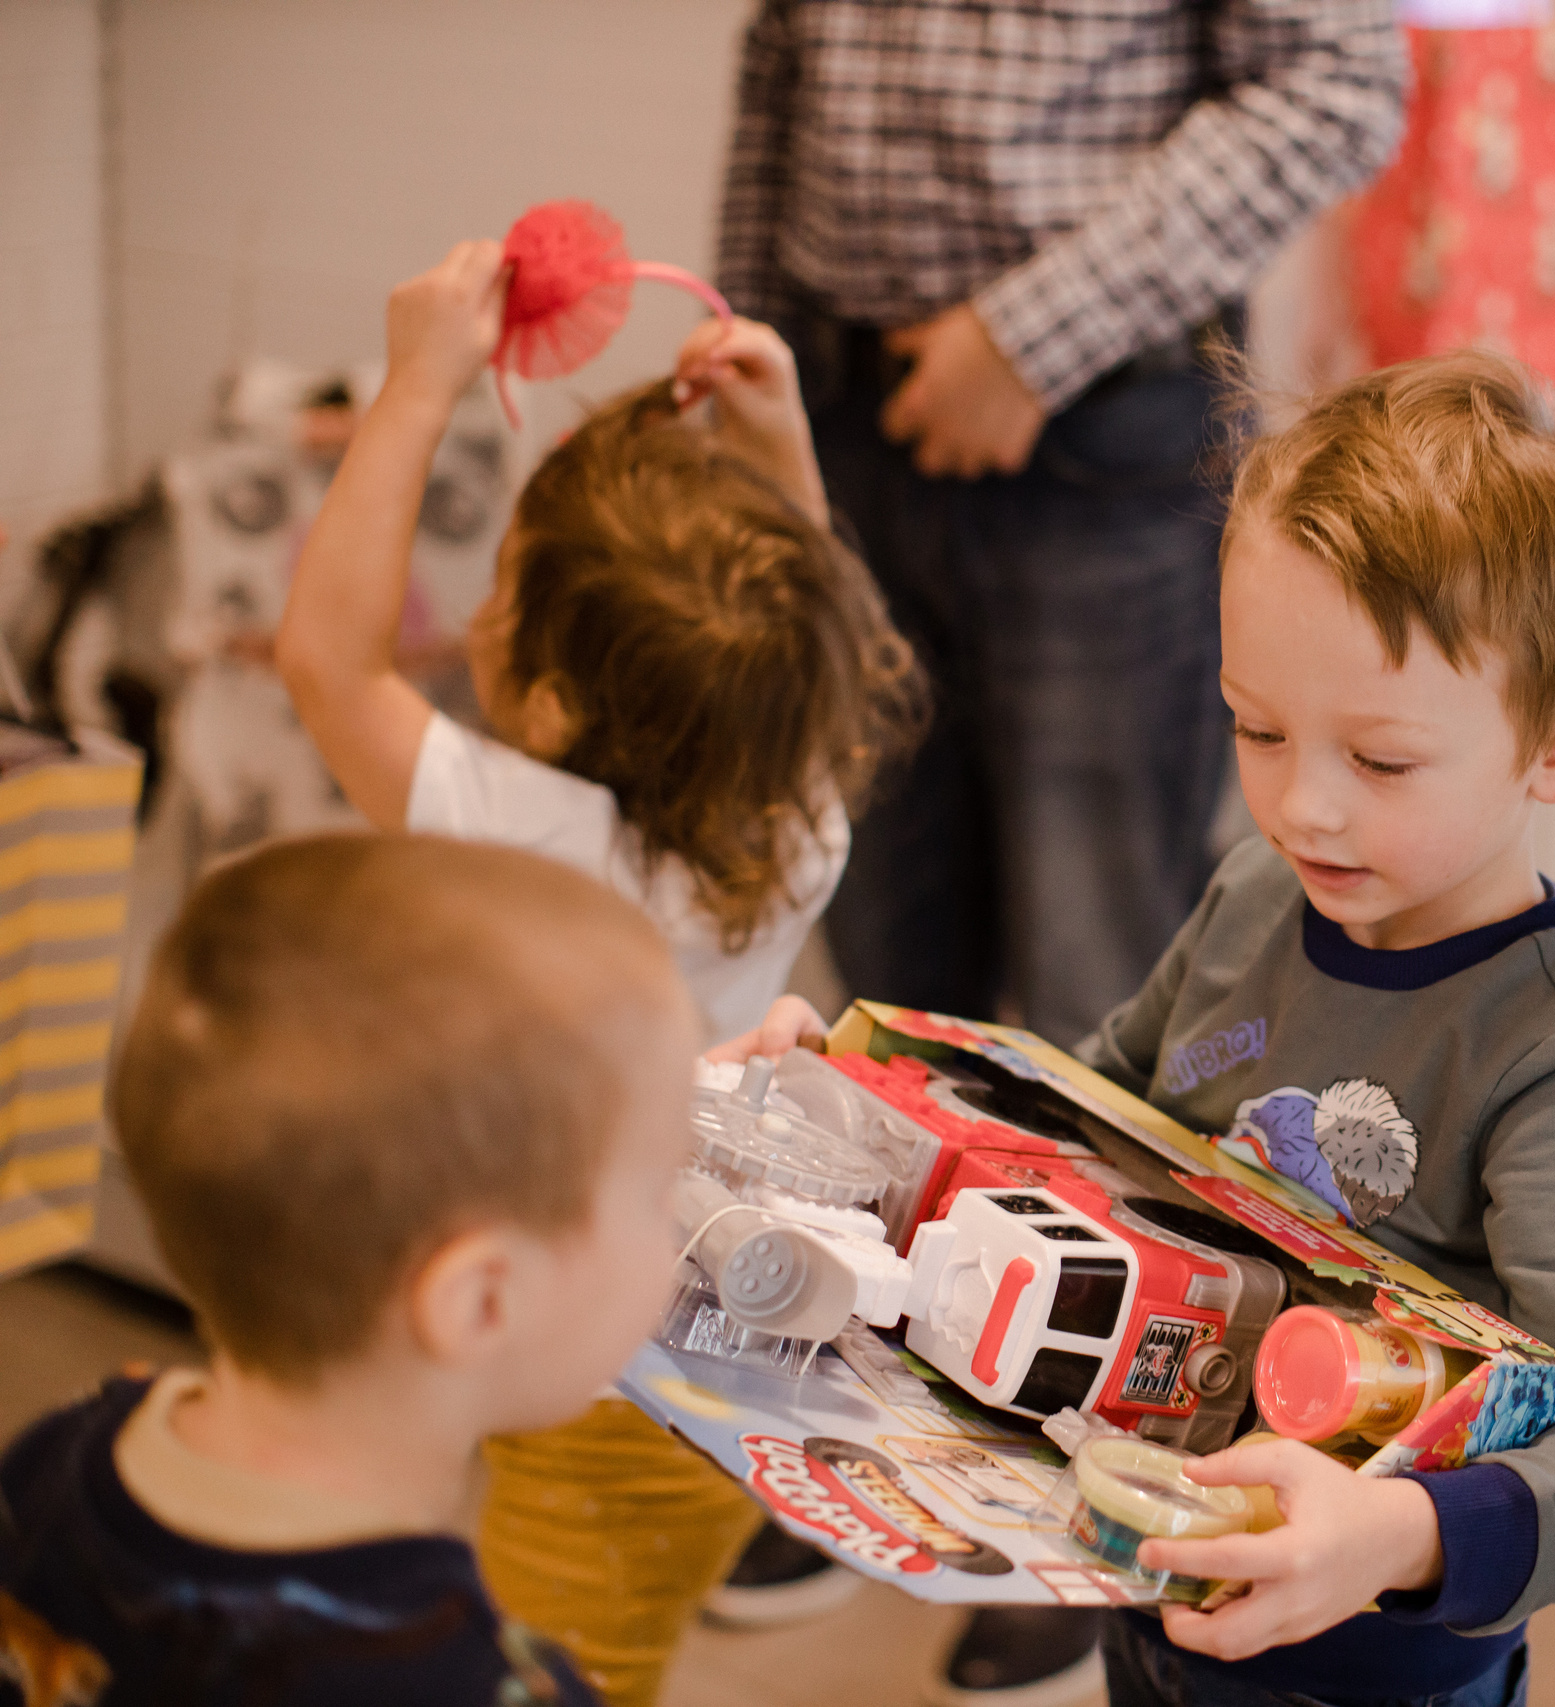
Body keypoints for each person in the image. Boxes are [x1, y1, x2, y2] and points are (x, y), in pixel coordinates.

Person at [710, 0, 1408, 1664]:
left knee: (1106, 1005)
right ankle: (887, 1428)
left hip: (1091, 419)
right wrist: (756, 343)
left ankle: (1075, 1498)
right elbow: (785, 52)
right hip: (842, 393)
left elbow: (1336, 78)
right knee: (894, 982)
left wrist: (1033, 335)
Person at [273, 242, 924, 1707]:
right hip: (705, 1321)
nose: (486, 612)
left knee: (568, 1662)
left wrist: (420, 379)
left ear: (552, 700)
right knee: (589, 1638)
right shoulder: (794, 808)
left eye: (505, 585)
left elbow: (326, 659)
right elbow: (802, 653)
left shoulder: (531, 827)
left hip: (593, 1344)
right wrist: (780, 442)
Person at [1073, 352, 1555, 1707]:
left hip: (1372, 1667)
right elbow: (1105, 1104)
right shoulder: (1261, 891)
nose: (1303, 806)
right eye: (1257, 726)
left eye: (1378, 760)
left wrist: (1398, 1536)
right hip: (1157, 1587)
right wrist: (886, 1095)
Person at [0, 833, 698, 1707]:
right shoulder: (485, 1688)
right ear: (482, 1300)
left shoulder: (57, 1453)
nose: (678, 1224)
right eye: (661, 1184)